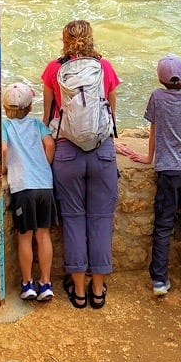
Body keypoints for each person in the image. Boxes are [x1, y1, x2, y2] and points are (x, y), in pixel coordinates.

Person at [42, 19, 120, 310]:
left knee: (73, 220)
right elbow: (111, 110)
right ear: (90, 38)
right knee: (100, 221)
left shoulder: (54, 69)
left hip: (66, 153)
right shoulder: (105, 66)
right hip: (101, 153)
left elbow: (49, 113)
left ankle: (77, 292)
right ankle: (98, 291)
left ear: (64, 40)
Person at [119, 54, 181, 297]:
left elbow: (154, 129)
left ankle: (160, 279)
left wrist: (149, 158)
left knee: (163, 224)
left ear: (160, 79)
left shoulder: (157, 97)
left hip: (168, 170)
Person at [1, 80, 58, 302]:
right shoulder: (38, 125)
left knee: (25, 237)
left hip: (23, 187)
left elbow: (4, 148)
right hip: (44, 184)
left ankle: (27, 284)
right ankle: (45, 283)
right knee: (43, 235)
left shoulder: (6, 126)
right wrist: (46, 164)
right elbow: (50, 145)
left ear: (6, 108)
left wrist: (5, 168)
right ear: (30, 106)